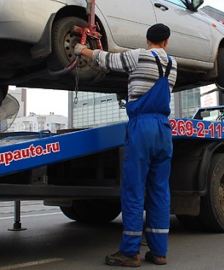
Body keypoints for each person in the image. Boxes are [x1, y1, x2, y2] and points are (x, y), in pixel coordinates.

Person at [75, 23, 178, 267]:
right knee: (160, 190)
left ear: (147, 40)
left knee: (134, 189)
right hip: (164, 129)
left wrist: (82, 50)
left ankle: (130, 252)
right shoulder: (173, 65)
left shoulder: (138, 56)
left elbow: (107, 60)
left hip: (142, 127)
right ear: (166, 42)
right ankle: (159, 252)